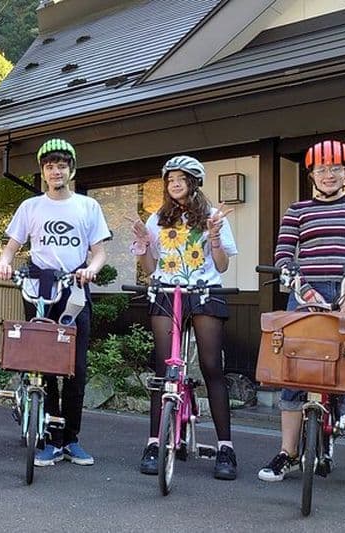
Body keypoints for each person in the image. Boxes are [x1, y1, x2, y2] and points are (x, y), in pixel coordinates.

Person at [0, 138, 109, 467]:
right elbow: (11, 246)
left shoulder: (88, 206)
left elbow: (99, 252)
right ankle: (48, 436)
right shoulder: (31, 207)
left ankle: (70, 438)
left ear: (71, 170)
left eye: (61, 166)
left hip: (74, 288)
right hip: (39, 287)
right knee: (41, 363)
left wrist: (91, 269)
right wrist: (4, 263)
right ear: (43, 172)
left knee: (74, 366)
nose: (55, 171)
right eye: (49, 166)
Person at [257, 140, 345, 485]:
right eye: (321, 169)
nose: (328, 174)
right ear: (312, 175)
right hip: (306, 295)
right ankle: (288, 453)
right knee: (292, 373)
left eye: (335, 168)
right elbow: (283, 257)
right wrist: (304, 291)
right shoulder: (297, 210)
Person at [129, 155, 238, 480]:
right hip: (166, 291)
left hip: (205, 291)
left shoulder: (213, 216)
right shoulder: (157, 218)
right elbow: (151, 269)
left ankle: (226, 447)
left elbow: (222, 266)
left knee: (211, 366)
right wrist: (143, 245)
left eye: (181, 178)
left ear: (194, 182)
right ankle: (154, 442)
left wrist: (214, 237)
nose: (174, 184)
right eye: (170, 179)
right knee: (163, 369)